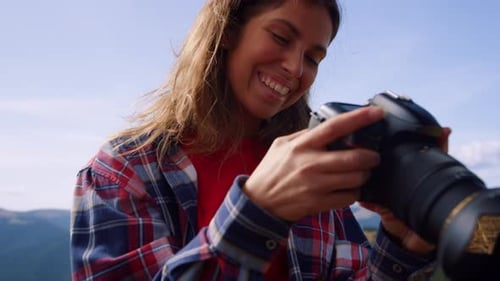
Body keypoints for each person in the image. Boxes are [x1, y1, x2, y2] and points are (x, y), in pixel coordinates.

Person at [70, 1, 451, 280]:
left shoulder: (313, 163)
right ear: (228, 30)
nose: (296, 69)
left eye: (314, 58)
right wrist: (257, 212)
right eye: (281, 37)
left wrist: (402, 246)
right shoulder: (124, 171)